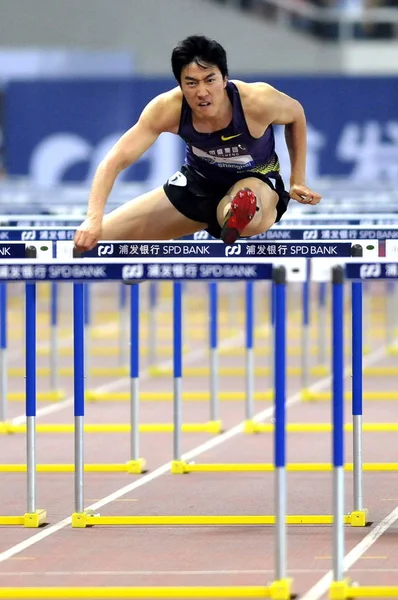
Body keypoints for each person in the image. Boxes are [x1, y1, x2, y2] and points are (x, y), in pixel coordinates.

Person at [74, 35, 321, 252]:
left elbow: (296, 114)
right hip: (196, 186)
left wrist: (297, 179)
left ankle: (232, 217)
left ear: (225, 78)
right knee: (96, 241)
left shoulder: (257, 101)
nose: (202, 92)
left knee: (246, 199)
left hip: (257, 185)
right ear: (181, 85)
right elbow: (114, 161)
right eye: (191, 83)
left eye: (209, 80)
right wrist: (93, 219)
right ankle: (144, 254)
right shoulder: (167, 109)